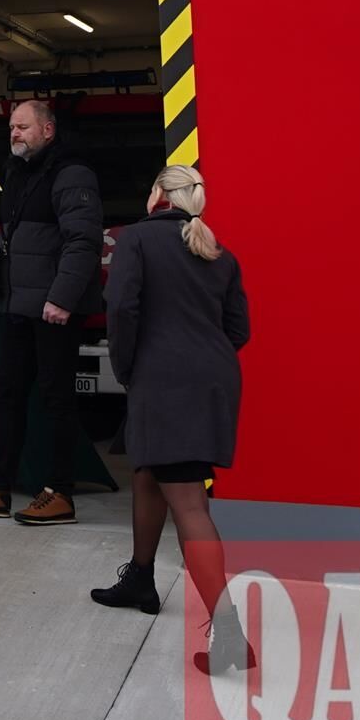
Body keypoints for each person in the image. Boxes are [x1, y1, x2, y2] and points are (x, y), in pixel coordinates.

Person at [88, 166, 251, 674]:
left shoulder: (136, 240)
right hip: (211, 380)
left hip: (163, 381)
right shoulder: (219, 252)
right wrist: (199, 353)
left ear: (157, 193)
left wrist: (129, 368)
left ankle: (230, 637)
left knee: (188, 501)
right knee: (147, 471)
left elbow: (122, 309)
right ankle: (140, 577)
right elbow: (239, 330)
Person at [0, 99, 102, 526]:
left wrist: (62, 298)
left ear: (48, 130)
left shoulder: (71, 174)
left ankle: (60, 493)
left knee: (56, 399)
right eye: (12, 127)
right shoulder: (20, 173)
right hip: (19, 305)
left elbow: (83, 242)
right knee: (8, 393)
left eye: (23, 127)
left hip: (53, 310)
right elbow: (25, 238)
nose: (14, 133)